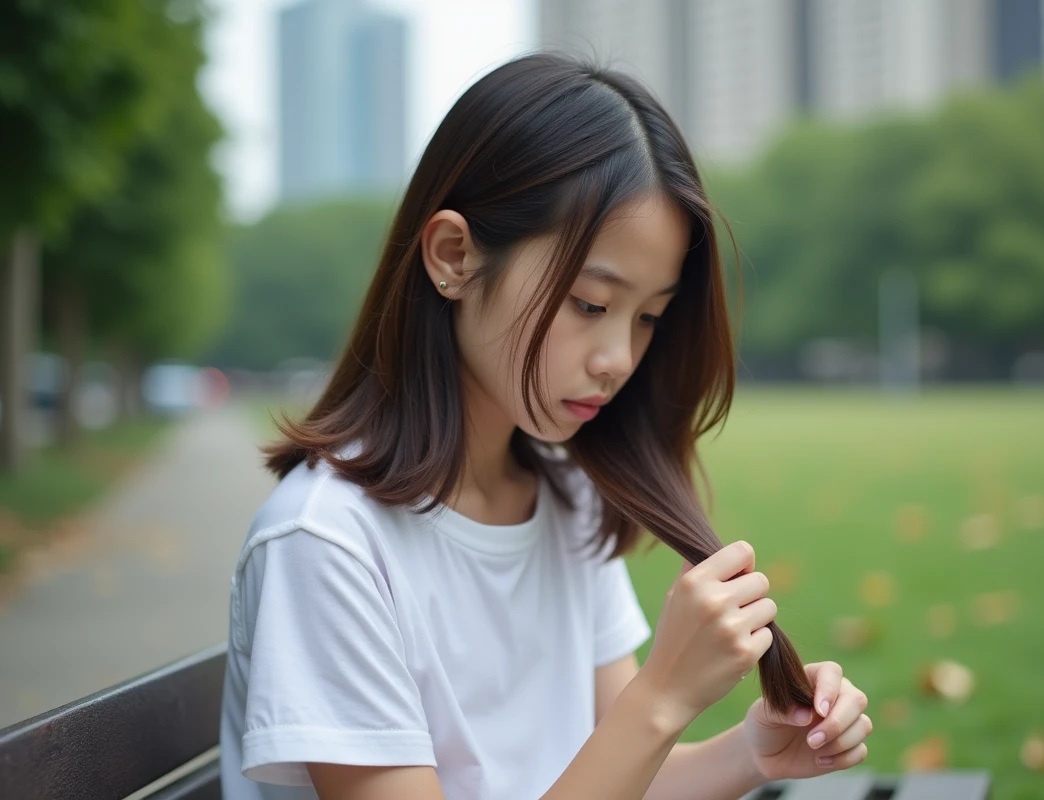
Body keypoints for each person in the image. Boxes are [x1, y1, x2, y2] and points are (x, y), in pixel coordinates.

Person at [219, 52, 871, 800]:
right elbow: (628, 744)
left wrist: (754, 752)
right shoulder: (327, 544)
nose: (618, 358)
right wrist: (658, 701)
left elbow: (621, 780)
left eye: (649, 316)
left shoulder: (564, 494)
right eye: (591, 304)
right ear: (453, 257)